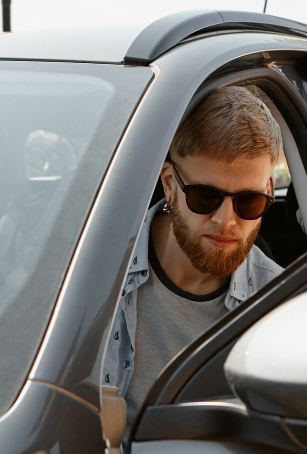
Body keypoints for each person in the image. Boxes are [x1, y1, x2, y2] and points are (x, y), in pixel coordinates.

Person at [102, 86, 284, 422]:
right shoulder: (94, 270)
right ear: (170, 184)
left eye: (249, 202)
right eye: (205, 197)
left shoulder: (280, 307)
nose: (226, 221)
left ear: (269, 192)